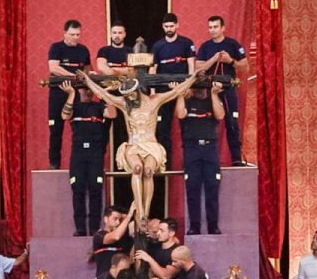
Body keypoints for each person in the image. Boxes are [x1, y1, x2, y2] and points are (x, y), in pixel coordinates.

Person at [75, 70, 200, 229]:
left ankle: (145, 211)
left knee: (148, 171)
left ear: (138, 90)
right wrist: (87, 80)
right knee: (137, 168)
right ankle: (139, 211)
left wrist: (194, 76)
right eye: (127, 95)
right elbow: (103, 94)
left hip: (150, 144)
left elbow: (176, 91)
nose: (129, 98)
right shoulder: (125, 103)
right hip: (133, 145)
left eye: (131, 94)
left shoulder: (154, 101)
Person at [61, 80, 116, 236]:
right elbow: (65, 115)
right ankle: (80, 228)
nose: (87, 92)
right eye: (85, 89)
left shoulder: (99, 106)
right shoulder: (75, 106)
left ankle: (93, 228)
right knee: (77, 190)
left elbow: (112, 113)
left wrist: (105, 93)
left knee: (95, 189)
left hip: (95, 153)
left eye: (90, 89)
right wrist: (71, 94)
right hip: (78, 153)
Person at [195, 15, 250, 166]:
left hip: (228, 89)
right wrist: (213, 59)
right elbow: (198, 69)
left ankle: (236, 159)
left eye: (215, 27)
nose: (212, 30)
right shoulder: (205, 47)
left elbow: (245, 67)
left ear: (222, 28)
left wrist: (230, 61)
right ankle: (207, 159)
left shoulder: (232, 45)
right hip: (209, 90)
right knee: (207, 123)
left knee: (232, 123)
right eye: (210, 27)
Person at [176, 81, 225, 235]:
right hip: (192, 149)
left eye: (202, 87)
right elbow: (180, 114)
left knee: (212, 188)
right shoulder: (187, 102)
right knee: (192, 189)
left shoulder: (213, 101)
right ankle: (194, 226)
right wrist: (179, 94)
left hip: (210, 148)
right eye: (196, 87)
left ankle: (213, 225)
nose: (199, 90)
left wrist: (214, 93)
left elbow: (220, 115)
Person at [149, 13, 197, 158]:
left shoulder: (187, 43)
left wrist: (189, 86)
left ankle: (189, 160)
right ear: (163, 27)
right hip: (164, 92)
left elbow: (191, 66)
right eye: (166, 26)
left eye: (171, 26)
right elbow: (152, 70)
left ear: (177, 25)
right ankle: (165, 164)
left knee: (187, 126)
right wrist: (152, 91)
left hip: (183, 89)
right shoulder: (157, 46)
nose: (169, 28)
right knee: (163, 129)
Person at [47, 20, 92, 170]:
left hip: (77, 94)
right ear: (65, 33)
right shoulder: (56, 48)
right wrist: (74, 77)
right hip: (57, 94)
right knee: (55, 130)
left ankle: (80, 164)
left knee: (80, 129)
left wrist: (86, 85)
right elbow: (54, 68)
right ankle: (54, 165)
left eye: (78, 34)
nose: (75, 37)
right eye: (72, 34)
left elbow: (87, 70)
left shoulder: (84, 50)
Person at [90, 203, 134, 275]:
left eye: (120, 220)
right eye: (115, 219)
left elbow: (131, 259)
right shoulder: (99, 235)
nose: (118, 222)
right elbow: (116, 236)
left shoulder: (125, 239)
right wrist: (129, 216)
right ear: (106, 219)